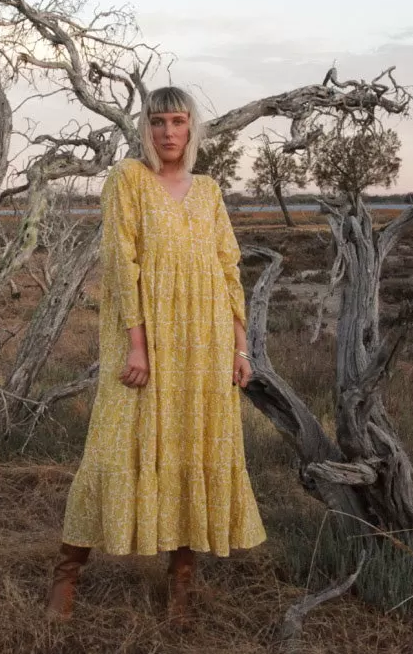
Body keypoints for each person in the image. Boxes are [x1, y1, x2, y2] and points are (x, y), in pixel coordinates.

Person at [46, 86, 266, 624]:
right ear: (145, 128)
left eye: (178, 121)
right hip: (145, 338)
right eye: (158, 121)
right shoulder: (127, 180)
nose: (168, 131)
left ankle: (181, 589)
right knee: (111, 449)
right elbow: (122, 265)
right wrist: (137, 346)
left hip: (206, 341)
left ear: (192, 129)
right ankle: (66, 577)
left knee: (194, 450)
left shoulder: (209, 190)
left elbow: (228, 269)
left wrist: (241, 347)